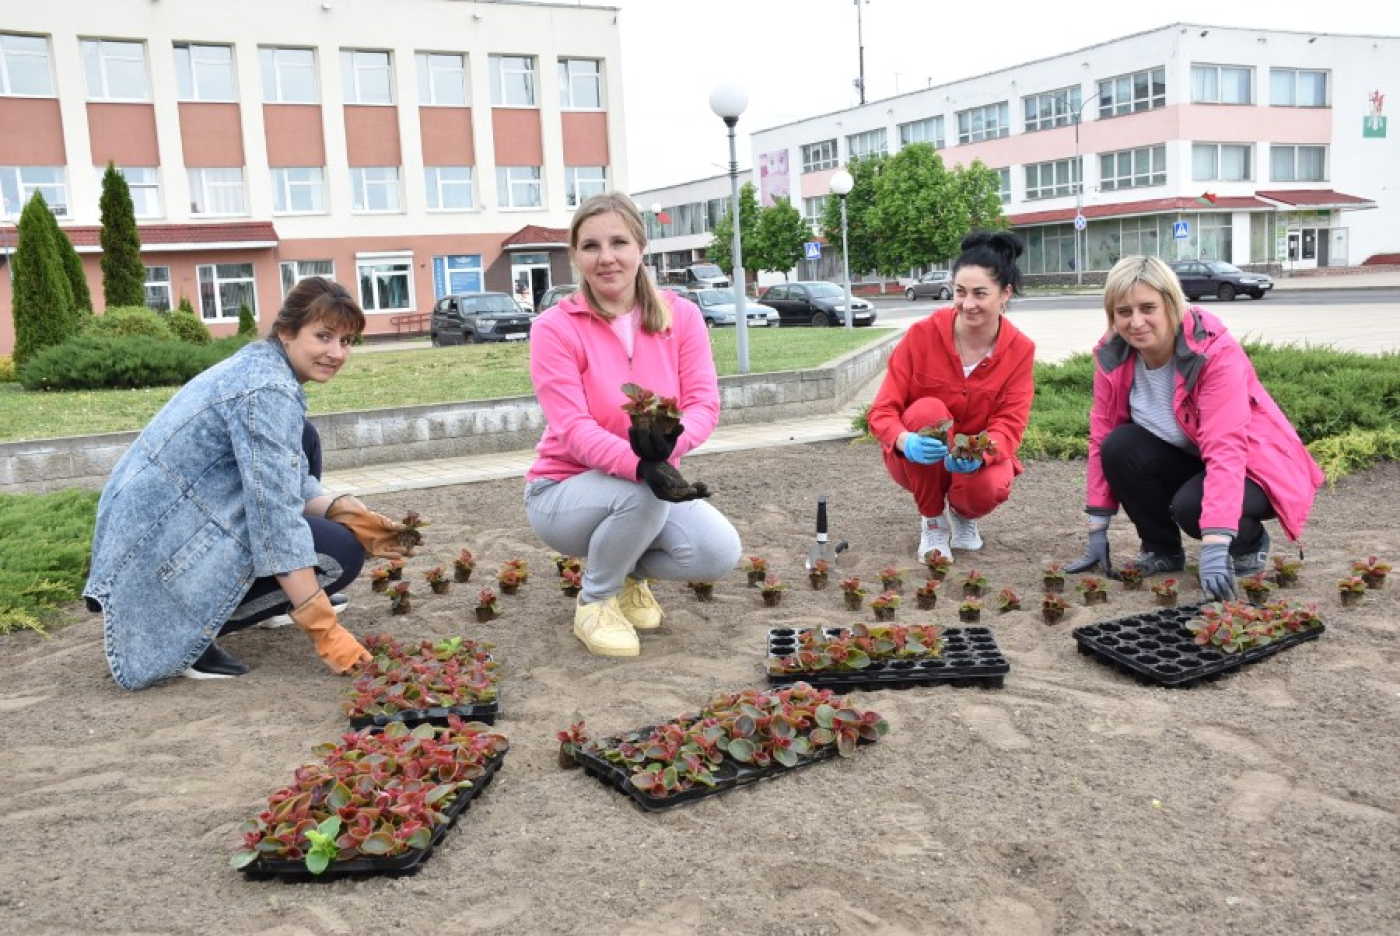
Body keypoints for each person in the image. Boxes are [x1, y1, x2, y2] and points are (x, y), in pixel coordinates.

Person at [83, 277, 414, 689]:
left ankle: (271, 598)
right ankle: (186, 632)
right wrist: (323, 627)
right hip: (157, 552)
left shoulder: (264, 365)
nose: (336, 353)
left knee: (304, 439)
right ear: (287, 331)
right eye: (323, 336)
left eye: (346, 341)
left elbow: (286, 477)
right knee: (340, 553)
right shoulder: (266, 389)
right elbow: (276, 517)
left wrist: (350, 513)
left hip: (168, 526)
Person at [524, 192, 742, 658]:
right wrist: (641, 466)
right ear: (576, 256)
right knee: (641, 493)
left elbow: (703, 403)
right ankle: (596, 602)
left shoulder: (681, 316)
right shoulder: (553, 328)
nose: (606, 257)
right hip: (562, 492)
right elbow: (573, 428)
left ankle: (626, 575)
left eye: (619, 242)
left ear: (641, 248)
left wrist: (669, 444)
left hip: (646, 490)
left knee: (717, 552)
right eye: (591, 246)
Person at [1064, 255, 1324, 599]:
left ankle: (1247, 544)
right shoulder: (1113, 356)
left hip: (1255, 468)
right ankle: (1162, 550)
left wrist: (1214, 545)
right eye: (1124, 312)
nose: (1136, 322)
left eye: (1148, 308)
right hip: (1194, 460)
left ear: (1171, 305)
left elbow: (1226, 449)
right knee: (1119, 445)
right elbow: (1100, 438)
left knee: (1193, 507)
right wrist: (1097, 529)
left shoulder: (1214, 353)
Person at [866, 231, 1036, 563]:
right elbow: (882, 410)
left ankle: (962, 514)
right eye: (960, 292)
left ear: (1005, 294)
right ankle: (932, 521)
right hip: (915, 463)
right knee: (927, 411)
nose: (967, 304)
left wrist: (980, 454)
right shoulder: (921, 335)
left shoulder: (1020, 350)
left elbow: (1009, 425)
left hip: (972, 466)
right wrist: (904, 440)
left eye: (980, 293)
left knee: (993, 484)